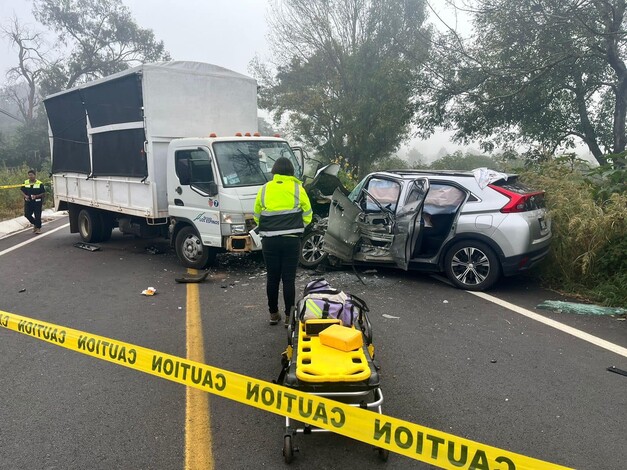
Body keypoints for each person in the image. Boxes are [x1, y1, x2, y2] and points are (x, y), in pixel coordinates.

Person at [254, 157, 312, 326]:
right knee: (288, 279)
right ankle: (289, 317)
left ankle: (273, 314)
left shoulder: (264, 189)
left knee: (272, 279)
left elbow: (257, 214)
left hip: (269, 241)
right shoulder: (297, 188)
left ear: (274, 171)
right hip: (291, 241)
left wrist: (270, 228)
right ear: (291, 171)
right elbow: (308, 213)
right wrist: (298, 228)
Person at [21, 169, 46, 234]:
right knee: (27, 214)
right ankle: (35, 223)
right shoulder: (25, 182)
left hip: (37, 202)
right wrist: (25, 196)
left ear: (35, 175)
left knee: (37, 215)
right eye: (29, 175)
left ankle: (38, 228)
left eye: (31, 175)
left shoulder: (39, 183)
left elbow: (43, 193)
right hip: (28, 202)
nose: (30, 176)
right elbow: (22, 190)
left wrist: (36, 196)